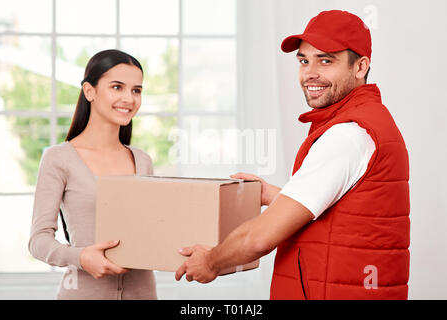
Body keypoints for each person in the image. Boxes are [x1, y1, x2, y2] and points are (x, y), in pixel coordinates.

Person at [175, 10, 410, 300]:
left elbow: (258, 238)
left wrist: (210, 261)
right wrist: (276, 195)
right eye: (304, 60)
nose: (310, 72)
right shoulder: (365, 122)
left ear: (360, 67)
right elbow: (340, 215)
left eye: (326, 60)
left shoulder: (347, 134)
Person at [28, 49, 157, 300]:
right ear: (90, 91)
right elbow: (38, 240)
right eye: (117, 87)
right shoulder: (59, 159)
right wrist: (81, 257)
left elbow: (154, 230)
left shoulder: (142, 161)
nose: (129, 99)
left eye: (136, 90)